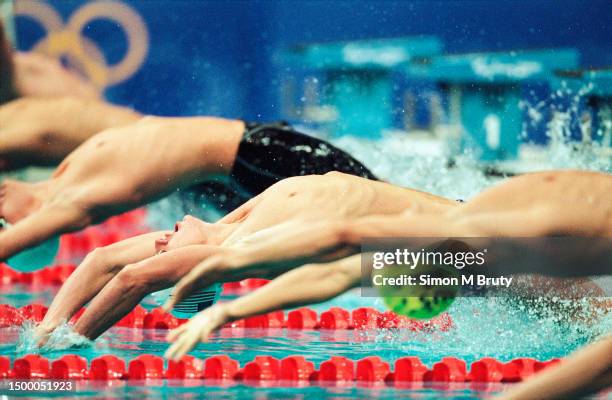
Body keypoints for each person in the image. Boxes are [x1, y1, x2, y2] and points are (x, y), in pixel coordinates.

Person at [162, 169, 612, 359]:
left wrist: (221, 273)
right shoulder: (473, 241)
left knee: (585, 310)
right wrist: (227, 305)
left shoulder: (499, 234)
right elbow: (339, 270)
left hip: (526, 238)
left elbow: (341, 247)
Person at [35, 172, 439, 342]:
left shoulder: (232, 224)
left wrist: (48, 326)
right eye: (165, 252)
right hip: (453, 246)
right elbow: (133, 278)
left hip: (458, 213)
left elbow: (105, 259)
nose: (158, 240)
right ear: (191, 268)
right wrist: (69, 344)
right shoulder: (243, 249)